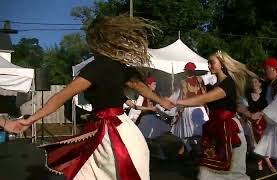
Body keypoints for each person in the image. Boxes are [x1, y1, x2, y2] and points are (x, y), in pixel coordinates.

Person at [0, 16, 174, 180]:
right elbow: (140, 87)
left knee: (94, 172)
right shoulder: (120, 67)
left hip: (111, 132)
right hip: (122, 129)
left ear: (95, 43)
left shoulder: (96, 68)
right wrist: (162, 101)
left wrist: (31, 119)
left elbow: (61, 96)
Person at [175, 51, 255, 180]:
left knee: (233, 173)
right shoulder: (212, 86)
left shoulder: (228, 83)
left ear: (222, 64)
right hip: (215, 131)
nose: (209, 66)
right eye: (208, 63)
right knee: (205, 173)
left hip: (229, 131)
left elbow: (204, 99)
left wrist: (177, 102)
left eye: (212, 62)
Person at [237, 77, 276, 172]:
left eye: (255, 82)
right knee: (257, 144)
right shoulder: (248, 96)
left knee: (265, 143)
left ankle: (260, 162)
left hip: (265, 121)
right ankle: (268, 164)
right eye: (252, 82)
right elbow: (244, 110)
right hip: (252, 123)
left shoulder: (265, 95)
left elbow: (270, 107)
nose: (253, 84)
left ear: (260, 84)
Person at [171, 62, 209, 156]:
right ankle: (197, 152)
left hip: (188, 109)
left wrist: (180, 110)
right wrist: (205, 106)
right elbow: (205, 93)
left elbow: (183, 96)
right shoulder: (200, 79)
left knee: (186, 133)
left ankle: (190, 150)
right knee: (201, 133)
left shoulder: (183, 82)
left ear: (186, 71)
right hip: (200, 108)